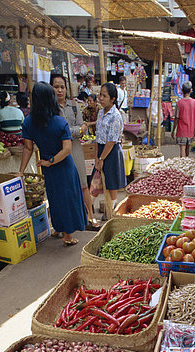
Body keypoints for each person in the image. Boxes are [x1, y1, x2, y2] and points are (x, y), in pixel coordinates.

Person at [19, 82, 87, 246]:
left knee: (54, 198)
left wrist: (21, 171)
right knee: (67, 199)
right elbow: (67, 150)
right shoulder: (59, 122)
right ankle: (67, 236)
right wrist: (51, 162)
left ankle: (57, 229)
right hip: (63, 166)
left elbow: (27, 149)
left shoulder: (28, 122)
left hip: (48, 166)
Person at [50, 74, 100, 230]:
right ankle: (65, 224)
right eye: (56, 86)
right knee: (63, 187)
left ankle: (90, 217)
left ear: (66, 88)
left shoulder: (74, 105)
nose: (59, 90)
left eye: (62, 87)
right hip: (58, 149)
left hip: (76, 148)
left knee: (83, 184)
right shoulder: (50, 109)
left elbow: (83, 129)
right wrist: (76, 130)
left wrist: (75, 130)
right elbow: (56, 131)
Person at [93, 82, 127, 219]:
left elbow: (111, 141)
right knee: (96, 181)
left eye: (104, 96)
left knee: (112, 183)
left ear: (112, 99)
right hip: (101, 149)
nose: (100, 98)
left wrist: (102, 158)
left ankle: (110, 212)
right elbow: (98, 136)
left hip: (111, 151)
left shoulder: (116, 116)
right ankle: (91, 210)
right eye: (100, 95)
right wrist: (96, 157)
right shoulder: (101, 112)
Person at [172, 81, 195, 157]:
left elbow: (176, 118)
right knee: (188, 148)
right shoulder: (194, 102)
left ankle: (182, 164)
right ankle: (186, 163)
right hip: (190, 130)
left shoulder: (179, 103)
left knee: (182, 149)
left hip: (181, 130)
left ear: (182, 90)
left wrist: (173, 131)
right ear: (191, 90)